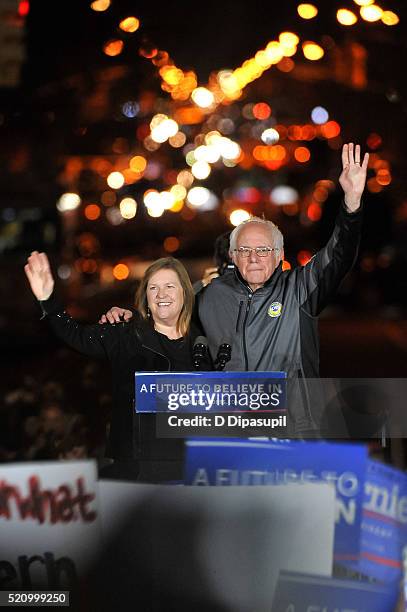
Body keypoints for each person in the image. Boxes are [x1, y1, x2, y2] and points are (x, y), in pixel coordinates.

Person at [98, 143, 369, 435]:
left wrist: (351, 203)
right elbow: (163, 328)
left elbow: (338, 255)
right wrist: (126, 321)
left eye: (263, 250)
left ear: (279, 255)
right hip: (229, 433)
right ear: (233, 256)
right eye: (245, 250)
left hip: (292, 432)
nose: (254, 258)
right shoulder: (210, 295)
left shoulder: (299, 289)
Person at [24, 255, 209, 482]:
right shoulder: (125, 335)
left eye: (170, 286)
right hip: (135, 466)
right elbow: (76, 336)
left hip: (192, 466)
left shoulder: (206, 341)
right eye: (153, 288)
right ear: (145, 297)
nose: (161, 295)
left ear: (185, 292)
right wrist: (48, 299)